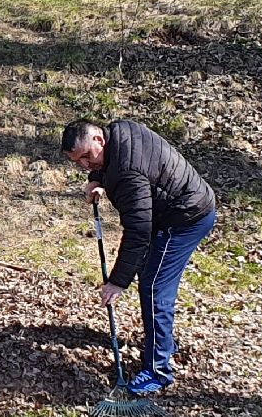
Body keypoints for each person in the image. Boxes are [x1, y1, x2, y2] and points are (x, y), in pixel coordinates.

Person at [61, 118, 216, 398]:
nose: (84, 165)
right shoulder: (119, 132)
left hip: (185, 218)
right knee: (150, 278)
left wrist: (118, 282)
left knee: (155, 287)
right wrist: (96, 179)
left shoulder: (127, 173)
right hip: (172, 208)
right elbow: (109, 166)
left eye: (86, 157)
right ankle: (163, 343)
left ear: (99, 140)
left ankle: (158, 370)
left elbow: (138, 232)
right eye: (78, 162)